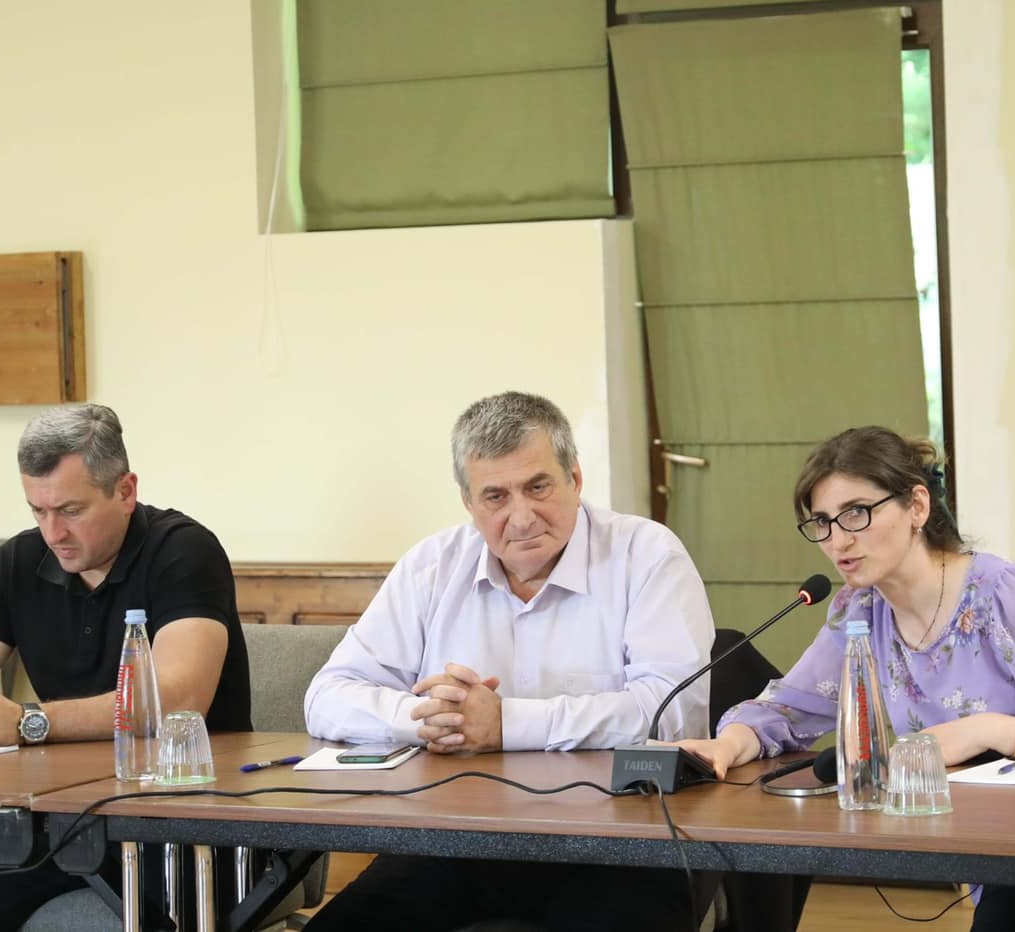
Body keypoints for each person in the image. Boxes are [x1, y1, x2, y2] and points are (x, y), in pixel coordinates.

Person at [681, 425, 1015, 932]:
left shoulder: (1007, 595)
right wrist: (727, 744)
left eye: (857, 513)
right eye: (822, 522)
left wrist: (988, 731)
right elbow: (789, 709)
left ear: (917, 506)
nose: (838, 540)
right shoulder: (860, 611)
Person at [303, 390, 714, 931]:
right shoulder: (431, 566)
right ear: (468, 503)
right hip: (456, 840)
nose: (521, 518)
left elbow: (672, 713)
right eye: (495, 496)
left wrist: (506, 724)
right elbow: (327, 695)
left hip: (622, 847)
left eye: (538, 487)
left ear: (575, 478)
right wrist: (431, 718)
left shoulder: (647, 555)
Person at [0, 403, 252, 931]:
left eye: (70, 511)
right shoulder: (20, 562)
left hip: (190, 828)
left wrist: (28, 722)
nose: (53, 532)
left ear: (125, 491)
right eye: (38, 511)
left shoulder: (184, 551)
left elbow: (177, 701)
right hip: (67, 825)